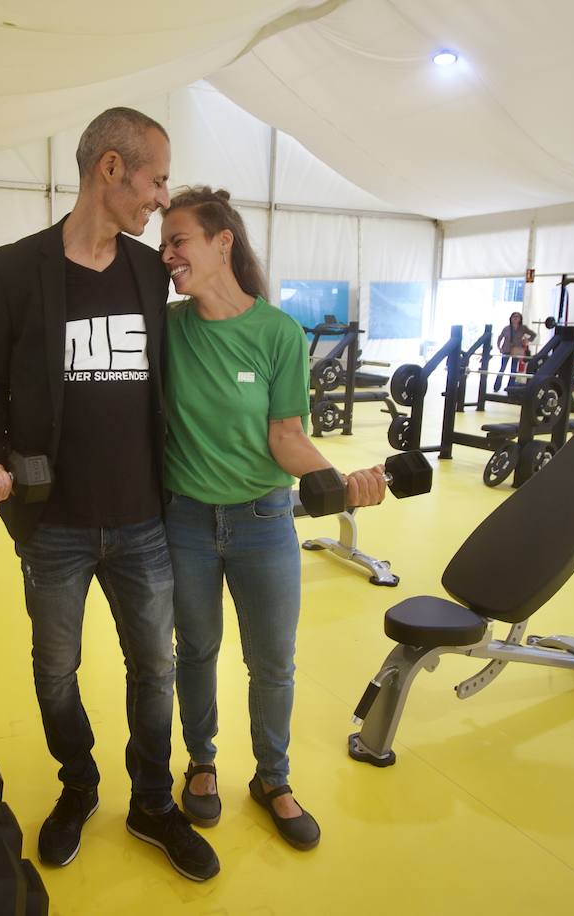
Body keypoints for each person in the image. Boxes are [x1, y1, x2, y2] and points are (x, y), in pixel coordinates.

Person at [0, 108, 220, 882]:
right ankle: (78, 785)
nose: (161, 199)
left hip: (144, 520)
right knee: (53, 671)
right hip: (54, 526)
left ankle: (150, 800)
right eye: (157, 178)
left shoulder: (149, 273)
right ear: (112, 169)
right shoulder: (10, 269)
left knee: (155, 671)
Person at [157, 186, 388, 851]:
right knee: (195, 650)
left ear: (221, 241)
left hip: (262, 520)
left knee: (274, 663)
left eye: (180, 241)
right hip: (187, 520)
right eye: (164, 243)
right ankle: (201, 763)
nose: (168, 254)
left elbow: (285, 434)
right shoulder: (168, 328)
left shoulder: (278, 333)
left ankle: (272, 778)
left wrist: (338, 484)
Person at [494, 310, 537, 392]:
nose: (515, 319)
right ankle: (497, 386)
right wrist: (499, 347)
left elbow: (533, 335)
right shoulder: (506, 328)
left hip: (516, 351)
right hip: (506, 350)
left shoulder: (523, 328)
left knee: (513, 370)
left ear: (520, 319)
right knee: (502, 368)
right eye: (514, 317)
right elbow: (500, 338)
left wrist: (527, 340)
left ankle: (510, 387)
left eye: (517, 317)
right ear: (510, 318)